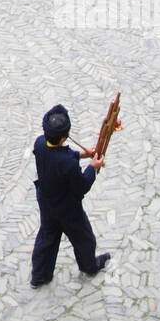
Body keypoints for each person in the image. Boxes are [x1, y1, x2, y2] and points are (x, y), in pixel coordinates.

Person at [30, 104, 110, 288]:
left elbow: (57, 155)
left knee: (47, 239)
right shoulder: (68, 164)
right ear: (64, 137)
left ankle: (39, 276)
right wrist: (92, 167)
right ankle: (89, 266)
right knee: (84, 239)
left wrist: (82, 155)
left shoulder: (40, 143)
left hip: (47, 203)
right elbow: (81, 187)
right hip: (67, 210)